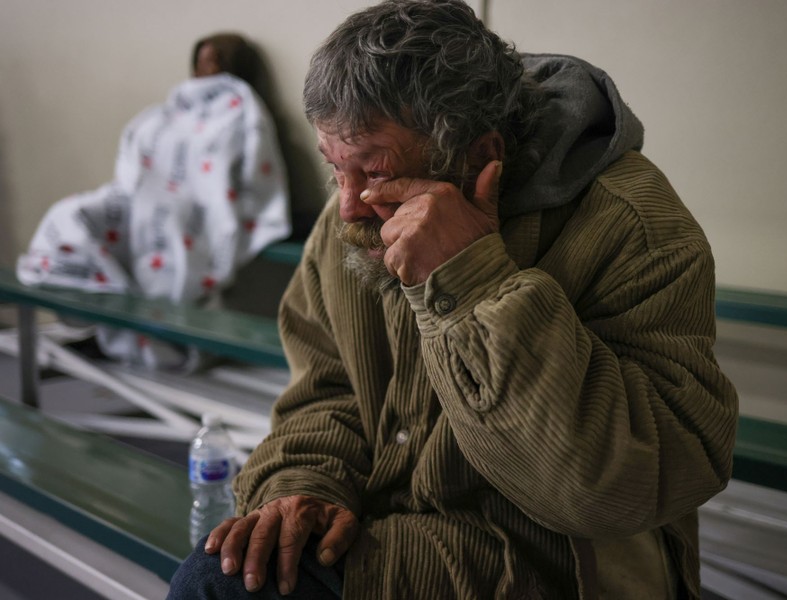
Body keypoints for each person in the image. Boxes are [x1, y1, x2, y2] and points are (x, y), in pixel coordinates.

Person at [168, 1, 738, 597]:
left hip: (547, 561)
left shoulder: (633, 225)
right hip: (395, 530)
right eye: (335, 169)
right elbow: (329, 388)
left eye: (374, 171)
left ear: (478, 156)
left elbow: (612, 491)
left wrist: (473, 284)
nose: (349, 208)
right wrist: (306, 484)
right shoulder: (353, 219)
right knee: (239, 566)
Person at [17, 32, 290, 370]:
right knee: (70, 215)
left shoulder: (243, 110)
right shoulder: (168, 109)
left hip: (193, 207)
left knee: (168, 227)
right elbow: (135, 156)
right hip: (134, 197)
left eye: (216, 60)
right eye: (203, 60)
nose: (209, 67)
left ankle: (156, 332)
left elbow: (250, 175)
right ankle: (106, 297)